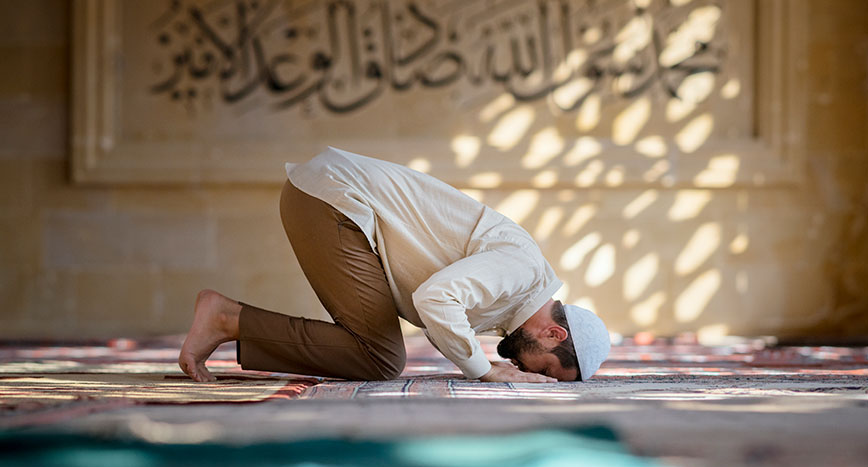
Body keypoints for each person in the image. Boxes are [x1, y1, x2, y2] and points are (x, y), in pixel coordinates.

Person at [179, 147, 610, 383]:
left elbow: (438, 315)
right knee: (380, 358)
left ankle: (230, 319)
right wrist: (483, 371)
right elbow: (436, 298)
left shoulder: (510, 304)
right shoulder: (522, 271)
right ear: (554, 333)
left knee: (380, 356)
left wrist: (479, 361)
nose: (530, 373)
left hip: (328, 198)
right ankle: (225, 318)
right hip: (335, 200)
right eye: (548, 369)